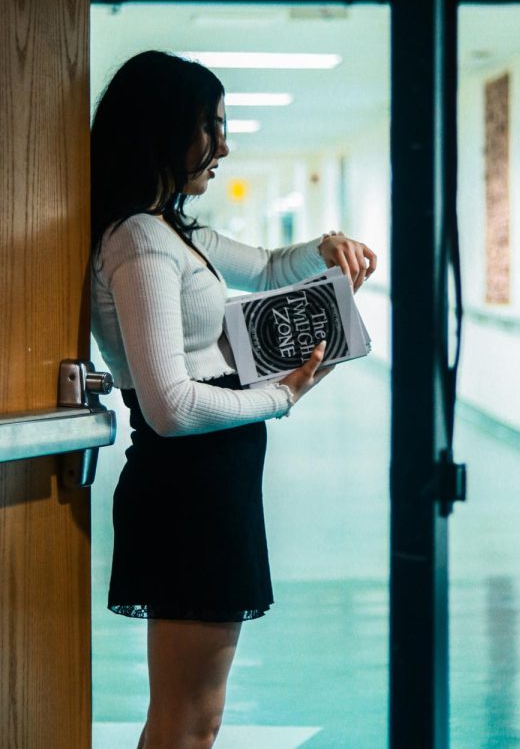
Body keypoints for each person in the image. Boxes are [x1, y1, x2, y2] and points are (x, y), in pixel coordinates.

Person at [90, 50, 377, 749]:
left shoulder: (177, 232)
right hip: (189, 489)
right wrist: (282, 396)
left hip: (212, 486)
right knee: (189, 720)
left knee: (198, 717)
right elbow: (172, 406)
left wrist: (326, 247)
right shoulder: (140, 242)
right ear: (163, 129)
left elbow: (274, 267)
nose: (224, 144)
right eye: (210, 126)